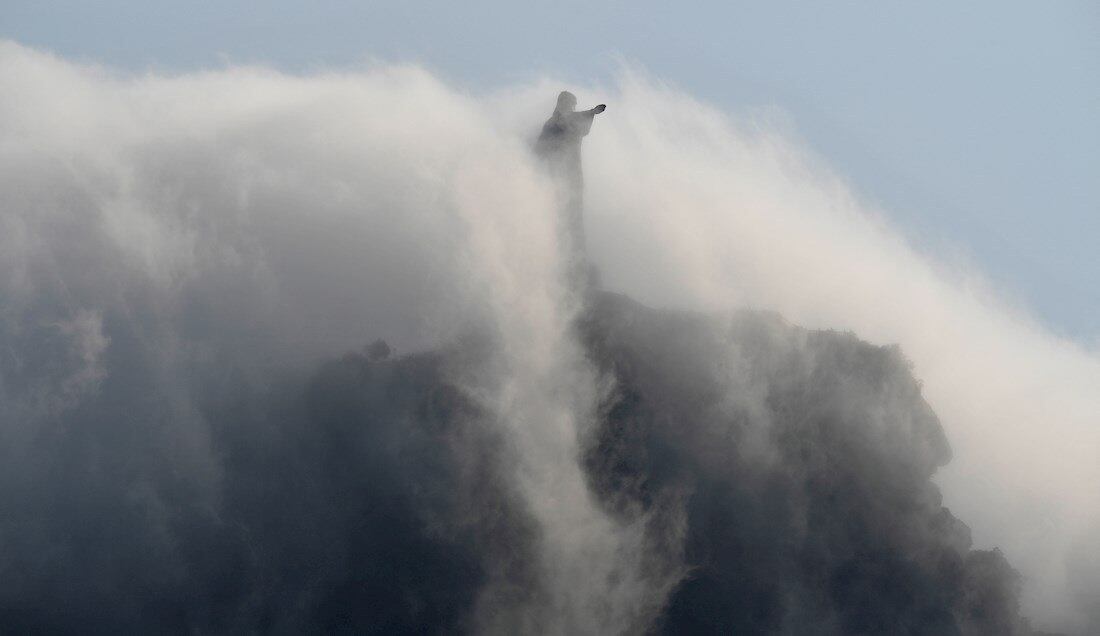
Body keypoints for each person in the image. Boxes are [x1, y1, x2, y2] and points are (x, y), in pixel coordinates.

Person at [535, 91, 606, 287]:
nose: (572, 108)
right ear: (561, 103)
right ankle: (559, 258)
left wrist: (592, 112)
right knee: (559, 214)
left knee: (573, 214)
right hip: (557, 175)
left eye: (573, 104)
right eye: (569, 104)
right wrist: (591, 112)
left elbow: (578, 122)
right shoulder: (552, 123)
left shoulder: (567, 120)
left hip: (572, 172)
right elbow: (541, 147)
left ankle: (574, 259)